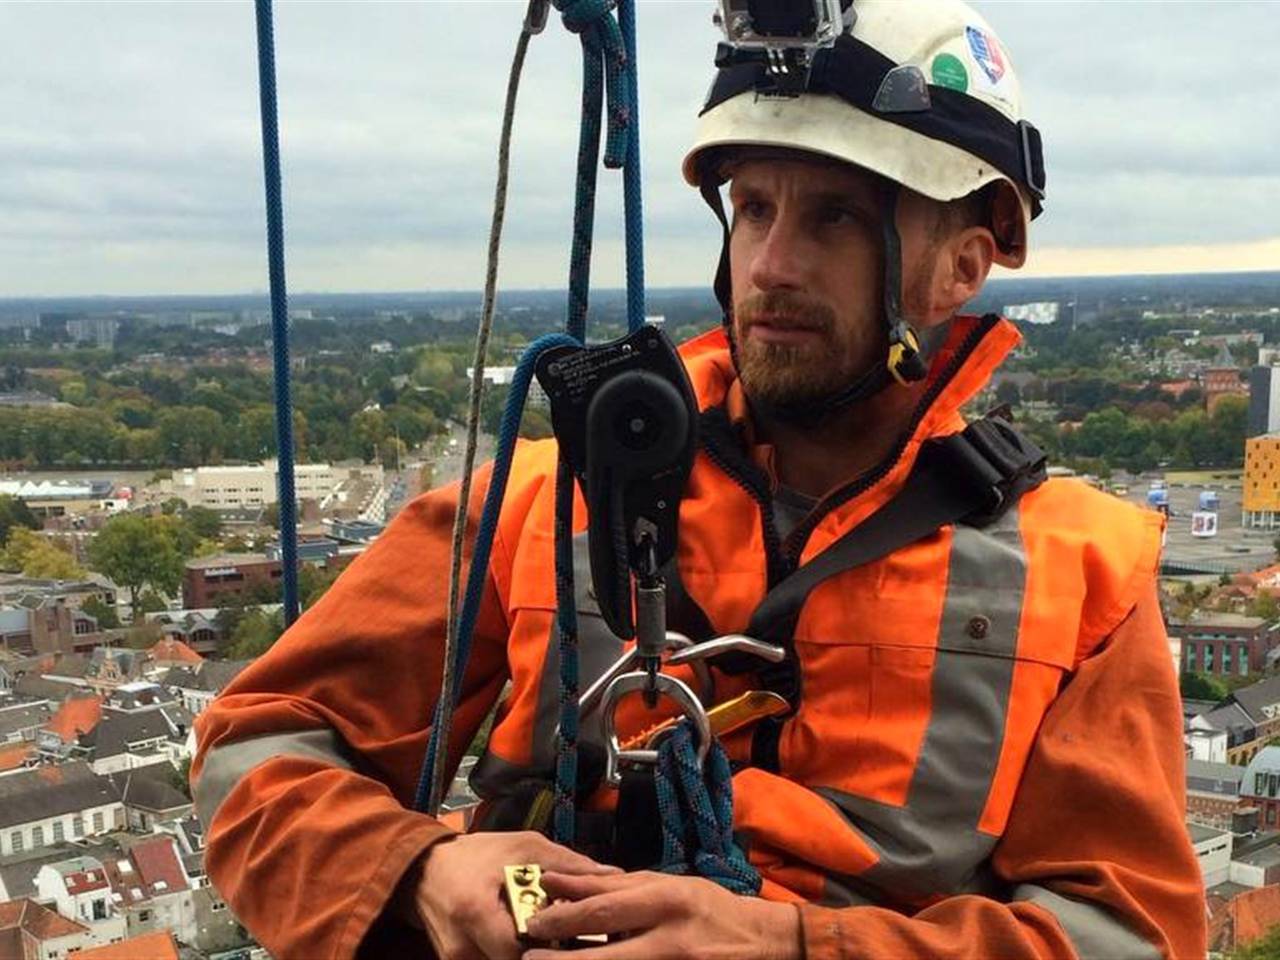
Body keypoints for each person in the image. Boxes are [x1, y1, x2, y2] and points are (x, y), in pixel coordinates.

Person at [192, 2, 1206, 958]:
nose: (769, 264)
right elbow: (257, 751)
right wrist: (419, 870)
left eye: (836, 220)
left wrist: (798, 946)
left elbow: (1124, 934)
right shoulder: (546, 498)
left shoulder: (1081, 575)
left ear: (961, 265)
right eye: (753, 208)